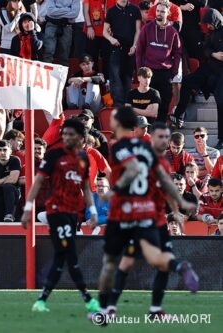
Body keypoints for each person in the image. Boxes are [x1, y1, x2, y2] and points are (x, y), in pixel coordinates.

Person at [96, 107, 198, 321]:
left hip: (134, 215)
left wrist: (177, 207)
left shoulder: (121, 148)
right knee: (140, 261)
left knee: (121, 263)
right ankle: (134, 307)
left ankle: (111, 309)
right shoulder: (154, 158)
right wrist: (179, 205)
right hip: (144, 216)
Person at [21, 118, 100, 314]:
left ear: (81, 138)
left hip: (72, 213)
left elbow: (86, 188)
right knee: (70, 256)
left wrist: (94, 211)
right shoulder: (54, 154)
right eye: (63, 134)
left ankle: (41, 300)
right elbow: (38, 181)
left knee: (61, 258)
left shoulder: (83, 159)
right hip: (57, 211)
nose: (65, 137)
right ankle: (89, 300)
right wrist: (28, 208)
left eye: (70, 134)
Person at [171, 9, 223, 138]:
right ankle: (178, 115)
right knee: (188, 81)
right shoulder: (211, 33)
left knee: (221, 103)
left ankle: (221, 138)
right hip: (210, 68)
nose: (208, 26)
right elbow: (206, 48)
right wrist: (213, 54)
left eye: (209, 23)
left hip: (221, 73)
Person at [136, 0, 182, 123]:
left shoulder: (173, 31)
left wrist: (174, 71)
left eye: (162, 11)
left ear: (168, 13)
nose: (159, 14)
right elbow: (139, 50)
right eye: (158, 11)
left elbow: (177, 52)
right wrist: (140, 70)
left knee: (163, 104)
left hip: (165, 72)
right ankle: (148, 131)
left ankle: (159, 130)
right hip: (148, 72)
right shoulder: (147, 28)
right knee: (147, 104)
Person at [103, 0, 141, 106]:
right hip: (116, 47)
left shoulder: (135, 9)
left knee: (127, 77)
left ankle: (126, 104)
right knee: (115, 77)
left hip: (130, 49)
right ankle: (118, 106)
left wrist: (134, 46)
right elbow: (104, 31)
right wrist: (111, 39)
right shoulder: (111, 11)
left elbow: (138, 30)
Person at [41, 0, 79, 66]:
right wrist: (68, 9)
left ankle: (63, 75)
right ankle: (45, 74)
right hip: (51, 24)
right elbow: (50, 12)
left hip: (67, 25)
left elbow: (75, 13)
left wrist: (57, 11)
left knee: (65, 54)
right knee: (48, 52)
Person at [83, 0, 110, 79]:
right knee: (92, 57)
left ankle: (107, 80)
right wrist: (89, 26)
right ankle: (94, 80)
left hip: (107, 33)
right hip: (92, 32)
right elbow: (85, 11)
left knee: (107, 58)